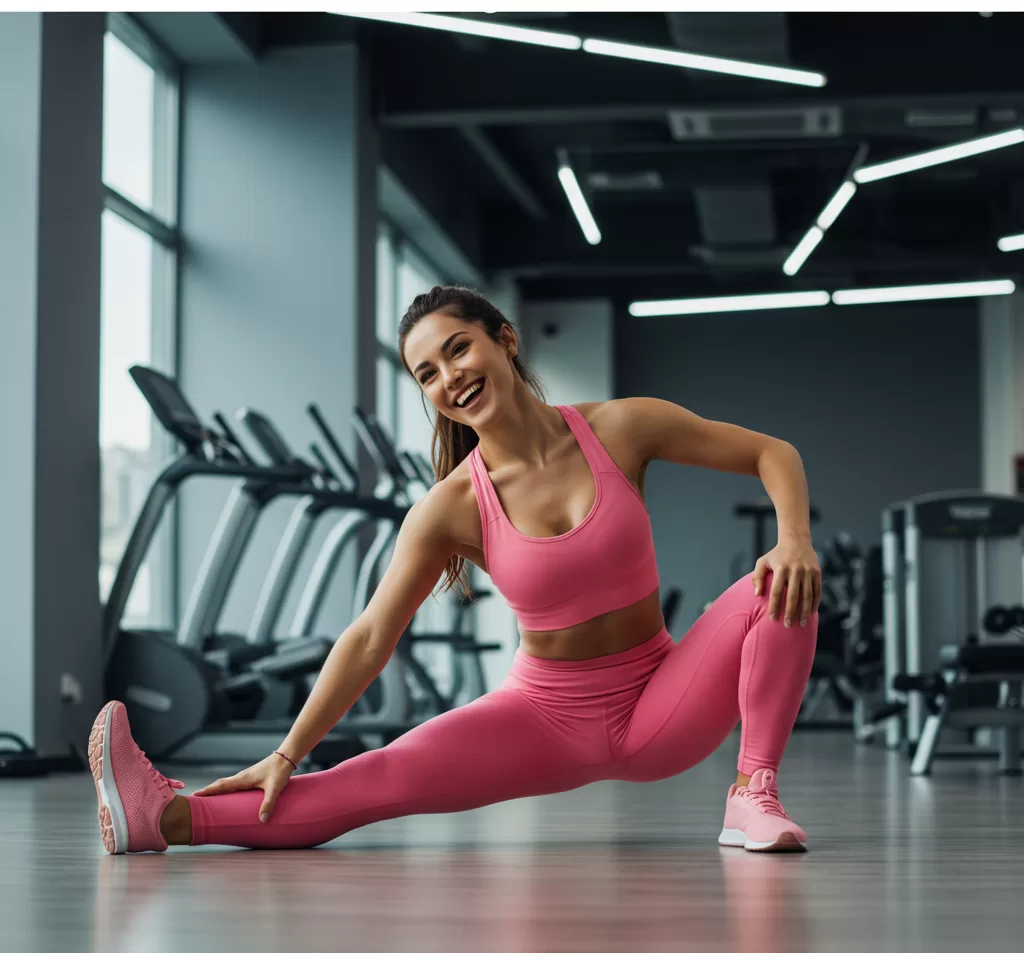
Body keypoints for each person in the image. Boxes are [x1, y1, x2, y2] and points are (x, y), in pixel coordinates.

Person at [89, 286, 820, 856]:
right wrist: (287, 749)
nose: (449, 378)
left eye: (459, 349)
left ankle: (752, 794)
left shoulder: (618, 429)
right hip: (543, 717)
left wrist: (794, 538)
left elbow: (772, 451)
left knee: (780, 585)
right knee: (369, 781)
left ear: (504, 340)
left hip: (662, 703)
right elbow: (373, 634)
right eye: (427, 374)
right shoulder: (451, 507)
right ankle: (163, 818)